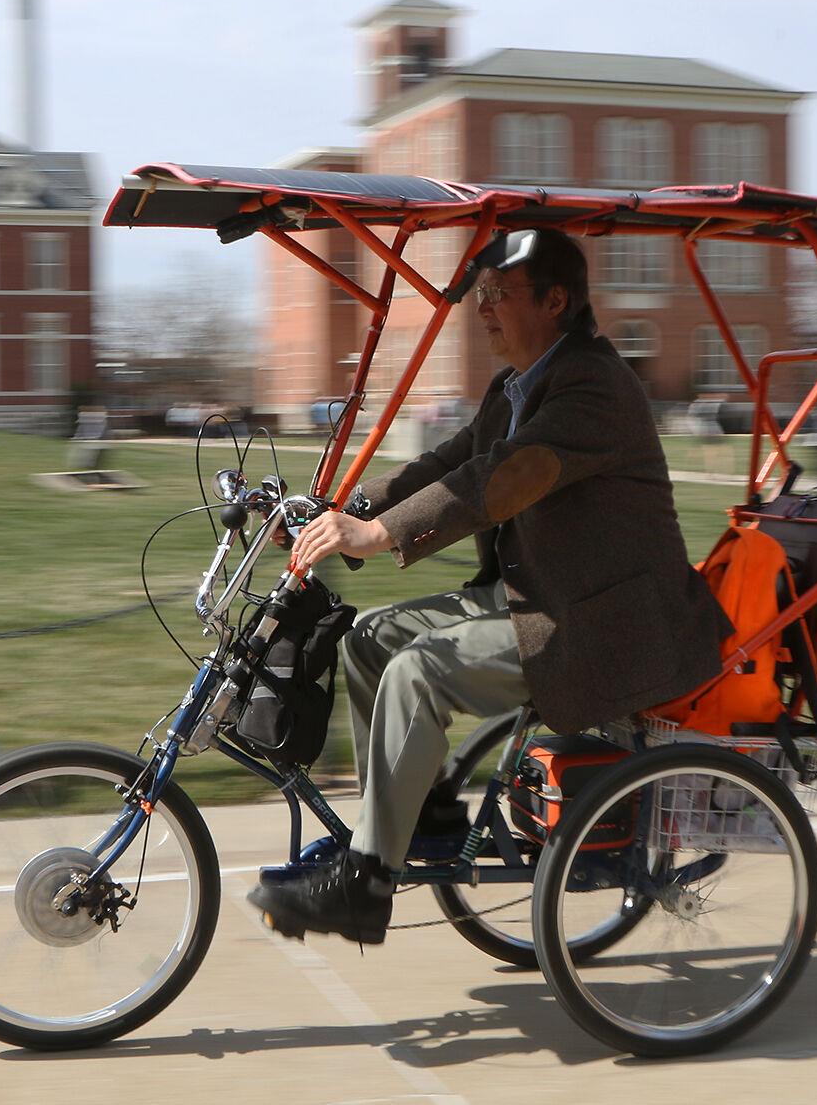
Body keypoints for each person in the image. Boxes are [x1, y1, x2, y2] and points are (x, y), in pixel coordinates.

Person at [248, 227, 731, 944]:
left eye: (496, 294)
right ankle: (432, 815)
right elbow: (440, 467)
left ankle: (368, 880)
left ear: (556, 300)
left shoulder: (595, 386)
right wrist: (338, 513)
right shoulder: (513, 387)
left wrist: (380, 535)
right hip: (539, 598)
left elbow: (502, 479)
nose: (481, 310)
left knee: (418, 672)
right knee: (368, 639)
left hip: (601, 626)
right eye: (480, 295)